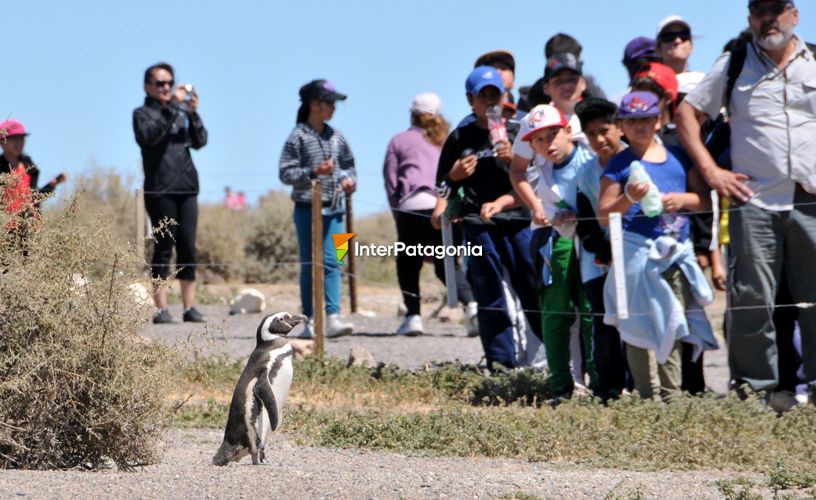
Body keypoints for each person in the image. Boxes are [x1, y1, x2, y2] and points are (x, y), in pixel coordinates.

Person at [676, 0, 816, 402]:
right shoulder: (733, 64)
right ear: (750, 18)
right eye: (759, 10)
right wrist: (711, 172)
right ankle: (754, 393)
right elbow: (687, 116)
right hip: (755, 200)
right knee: (752, 300)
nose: (767, 18)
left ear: (795, 14)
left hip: (810, 199)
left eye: (776, 9)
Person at [599, 91, 717, 401]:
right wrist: (630, 198)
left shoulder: (678, 157)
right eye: (632, 121)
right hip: (636, 255)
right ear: (621, 126)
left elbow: (704, 200)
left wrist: (682, 200)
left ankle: (671, 395)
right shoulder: (618, 164)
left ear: (658, 120)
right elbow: (603, 213)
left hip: (675, 256)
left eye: (646, 119)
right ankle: (647, 395)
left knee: (674, 323)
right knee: (636, 326)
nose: (640, 126)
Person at [435, 66, 540, 371]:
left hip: (519, 221)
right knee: (489, 291)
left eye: (496, 94)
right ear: (471, 100)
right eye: (484, 96)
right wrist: (454, 176)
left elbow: (536, 179)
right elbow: (441, 185)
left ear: (505, 96)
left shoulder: (518, 131)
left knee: (531, 288)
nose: (491, 102)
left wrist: (511, 159)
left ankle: (552, 360)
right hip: (478, 225)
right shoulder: (460, 135)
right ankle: (500, 363)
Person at [510, 104, 595, 399]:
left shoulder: (590, 158)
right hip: (552, 240)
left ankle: (602, 383)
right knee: (555, 311)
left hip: (591, 241)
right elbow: (517, 172)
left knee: (591, 311)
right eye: (540, 140)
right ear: (531, 145)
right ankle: (561, 384)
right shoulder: (542, 170)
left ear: (568, 130)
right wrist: (537, 208)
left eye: (553, 134)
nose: (549, 144)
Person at [383, 92, 477, 336]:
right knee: (446, 263)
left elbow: (391, 182)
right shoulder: (447, 139)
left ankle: (413, 317)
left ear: (412, 113)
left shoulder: (399, 141)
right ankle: (474, 308)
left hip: (412, 208)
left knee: (408, 263)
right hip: (445, 206)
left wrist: (399, 214)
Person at [279, 79, 356, 339]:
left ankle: (333, 315)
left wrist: (349, 182)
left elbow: (349, 165)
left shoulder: (338, 137)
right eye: (329, 102)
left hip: (337, 210)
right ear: (314, 105)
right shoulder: (297, 136)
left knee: (336, 259)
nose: (334, 108)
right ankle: (311, 319)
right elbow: (285, 173)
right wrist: (313, 172)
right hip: (305, 210)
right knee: (310, 263)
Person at [132, 62, 207, 324]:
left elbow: (200, 142)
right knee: (164, 247)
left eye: (169, 82)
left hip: (187, 187)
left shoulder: (181, 113)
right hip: (159, 189)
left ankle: (189, 307)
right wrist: (175, 108)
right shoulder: (142, 114)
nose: (166, 88)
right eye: (160, 83)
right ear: (147, 86)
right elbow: (151, 138)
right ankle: (161, 309)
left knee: (188, 247)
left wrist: (193, 113)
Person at [574, 98, 629, 401]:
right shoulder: (586, 174)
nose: (599, 139)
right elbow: (585, 221)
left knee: (636, 323)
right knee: (604, 325)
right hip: (598, 264)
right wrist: (604, 250)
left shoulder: (638, 162)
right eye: (591, 134)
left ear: (619, 127)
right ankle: (607, 388)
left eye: (604, 130)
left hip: (634, 257)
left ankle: (639, 385)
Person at [1, 119, 67, 219]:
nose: (19, 142)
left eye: (21, 138)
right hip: (6, 227)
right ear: (2, 141)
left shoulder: (29, 166)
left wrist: (51, 186)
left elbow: (34, 198)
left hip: (29, 225)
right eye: (14, 138)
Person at [655, 15, 706, 99]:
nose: (677, 41)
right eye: (669, 37)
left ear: (691, 46)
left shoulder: (704, 81)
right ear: (658, 49)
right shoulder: (650, 85)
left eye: (684, 35)